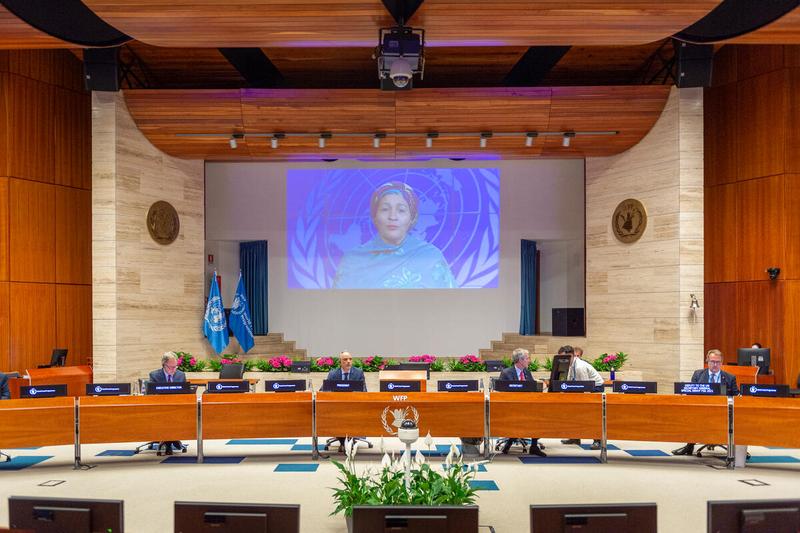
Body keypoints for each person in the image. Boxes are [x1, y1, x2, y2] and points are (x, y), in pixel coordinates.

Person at [333, 181, 456, 289]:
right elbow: (338, 307)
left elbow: (451, 305)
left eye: (401, 210)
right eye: (385, 209)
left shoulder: (430, 256)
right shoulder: (353, 260)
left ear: (412, 217)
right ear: (374, 216)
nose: (392, 217)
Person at [672, 349, 738, 456]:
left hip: (722, 411)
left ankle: (734, 450)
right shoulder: (698, 374)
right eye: (712, 361)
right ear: (707, 361)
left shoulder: (730, 378)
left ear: (721, 363)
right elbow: (691, 394)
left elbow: (736, 396)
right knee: (691, 415)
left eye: (717, 362)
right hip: (701, 409)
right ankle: (689, 446)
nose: (715, 365)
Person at [498, 348, 546, 457]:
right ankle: (510, 440)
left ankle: (534, 447)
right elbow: (501, 393)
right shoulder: (506, 373)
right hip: (511, 407)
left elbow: (532, 388)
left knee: (539, 415)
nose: (529, 361)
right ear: (520, 360)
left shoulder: (527, 372)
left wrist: (542, 385)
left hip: (526, 406)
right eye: (527, 358)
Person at [558, 345, 603, 449]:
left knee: (591, 413)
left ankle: (597, 440)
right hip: (579, 386)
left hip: (595, 387)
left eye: (564, 358)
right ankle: (575, 437)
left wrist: (586, 402)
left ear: (571, 355)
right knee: (573, 410)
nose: (562, 360)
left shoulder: (580, 367)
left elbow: (586, 386)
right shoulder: (568, 364)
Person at [325, 352, 367, 452]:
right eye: (345, 359)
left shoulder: (358, 373)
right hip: (337, 405)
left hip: (354, 404)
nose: (348, 361)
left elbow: (364, 391)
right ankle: (343, 441)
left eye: (350, 359)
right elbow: (325, 390)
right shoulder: (333, 374)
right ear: (340, 362)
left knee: (350, 413)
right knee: (338, 414)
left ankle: (348, 440)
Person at [148, 352, 187, 455]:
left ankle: (171, 440)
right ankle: (167, 441)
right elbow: (151, 395)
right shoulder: (154, 375)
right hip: (159, 408)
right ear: (163, 365)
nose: (173, 370)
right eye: (170, 367)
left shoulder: (181, 375)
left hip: (177, 408)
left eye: (175, 367)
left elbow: (184, 394)